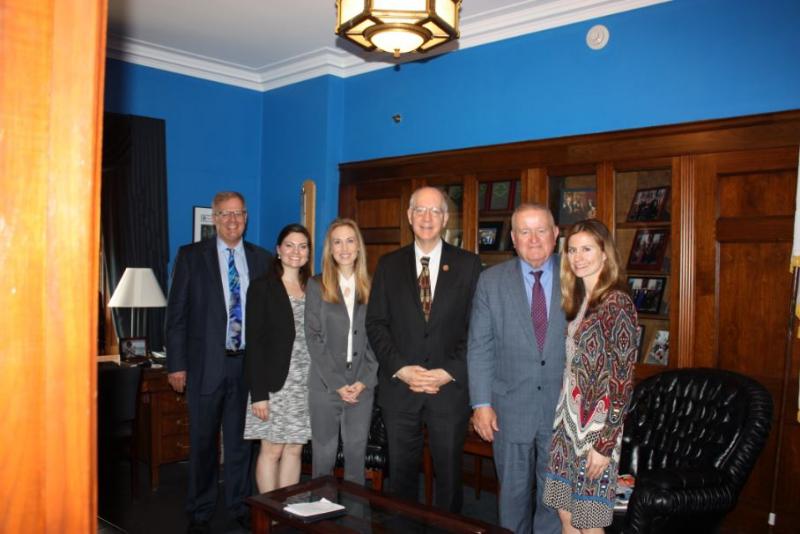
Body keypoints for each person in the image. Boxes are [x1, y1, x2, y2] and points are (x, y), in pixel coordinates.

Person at [366, 186, 481, 512]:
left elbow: (477, 329)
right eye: (420, 210)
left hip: (449, 391)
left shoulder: (469, 265)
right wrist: (402, 369)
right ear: (409, 216)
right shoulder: (389, 265)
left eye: (435, 211)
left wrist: (449, 372)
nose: (427, 218)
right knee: (401, 478)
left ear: (446, 218)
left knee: (448, 478)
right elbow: (376, 324)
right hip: (401, 390)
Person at [165, 191, 271, 534]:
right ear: (214, 218)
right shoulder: (191, 256)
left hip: (247, 367)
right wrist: (176, 366)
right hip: (204, 366)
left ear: (246, 217)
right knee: (203, 442)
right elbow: (176, 316)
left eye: (238, 214)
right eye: (225, 214)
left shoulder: (261, 259)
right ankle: (200, 508)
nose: (232, 220)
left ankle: (239, 505)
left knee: (242, 443)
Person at [467, 203, 567, 534]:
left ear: (555, 235)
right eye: (525, 231)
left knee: (555, 500)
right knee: (512, 498)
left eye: (541, 230)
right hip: (509, 409)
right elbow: (480, 346)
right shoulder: (490, 281)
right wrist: (481, 405)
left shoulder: (577, 275)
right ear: (513, 238)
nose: (534, 238)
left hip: (562, 409)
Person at [542, 219, 639, 533]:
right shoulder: (579, 301)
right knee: (565, 513)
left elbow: (623, 383)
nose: (578, 257)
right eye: (572, 250)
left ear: (605, 254)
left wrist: (605, 444)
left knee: (590, 520)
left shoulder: (617, 303)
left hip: (597, 430)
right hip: (567, 423)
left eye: (587, 249)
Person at [305, 218, 378, 484]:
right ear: (330, 249)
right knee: (323, 460)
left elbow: (378, 338)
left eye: (350, 240)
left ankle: (354, 523)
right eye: (337, 241)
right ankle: (321, 524)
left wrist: (363, 381)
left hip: (361, 386)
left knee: (356, 463)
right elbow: (313, 338)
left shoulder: (372, 285)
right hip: (325, 386)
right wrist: (337, 383)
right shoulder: (316, 285)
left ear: (358, 247)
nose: (344, 248)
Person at [243, 224, 313, 493]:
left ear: (308, 252)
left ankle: (288, 512)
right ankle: (268, 516)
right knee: (271, 450)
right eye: (290, 245)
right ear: (278, 250)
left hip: (305, 384)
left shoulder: (314, 287)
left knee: (294, 449)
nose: (296, 251)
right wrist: (258, 394)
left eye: (303, 246)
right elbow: (255, 344)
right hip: (274, 384)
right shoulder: (262, 287)